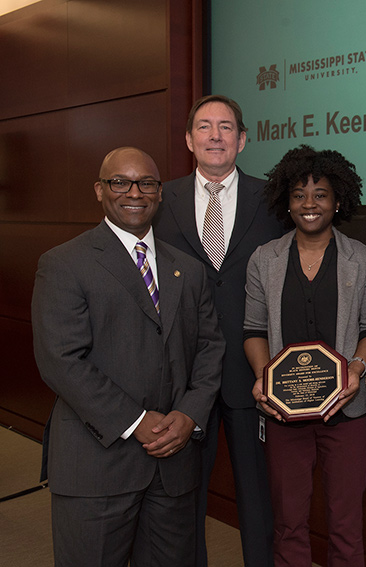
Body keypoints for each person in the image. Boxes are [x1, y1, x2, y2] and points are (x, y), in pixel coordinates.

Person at [32, 147, 224, 566]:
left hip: (173, 465)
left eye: (147, 183)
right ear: (100, 190)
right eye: (121, 182)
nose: (134, 192)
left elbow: (210, 347)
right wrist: (135, 422)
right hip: (96, 465)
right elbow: (61, 360)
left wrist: (190, 413)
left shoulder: (188, 269)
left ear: (159, 193)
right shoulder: (64, 264)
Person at [153, 94, 284, 567]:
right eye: (204, 127)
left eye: (226, 127)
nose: (215, 136)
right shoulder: (157, 199)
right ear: (189, 140)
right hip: (182, 378)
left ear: (243, 140)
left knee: (257, 498)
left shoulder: (273, 199)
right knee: (182, 503)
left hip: (254, 371)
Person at [242, 145, 366, 567]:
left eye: (320, 194)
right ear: (286, 202)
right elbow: (252, 330)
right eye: (299, 195)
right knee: (289, 523)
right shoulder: (263, 259)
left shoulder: (363, 259)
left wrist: (356, 370)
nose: (309, 204)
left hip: (348, 411)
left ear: (338, 200)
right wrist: (264, 376)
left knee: (345, 523)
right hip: (284, 414)